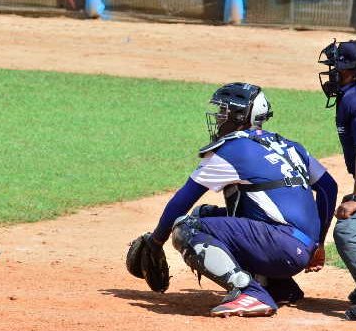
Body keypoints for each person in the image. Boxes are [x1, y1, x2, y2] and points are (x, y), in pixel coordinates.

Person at [137, 82, 336, 317]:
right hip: (299, 247)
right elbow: (328, 188)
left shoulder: (233, 149)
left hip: (283, 248)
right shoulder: (290, 146)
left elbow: (183, 200)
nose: (219, 117)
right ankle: (278, 286)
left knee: (186, 228)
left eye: (223, 112)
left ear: (240, 116)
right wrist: (318, 244)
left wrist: (156, 241)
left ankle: (249, 292)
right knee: (205, 214)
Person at [318, 40, 356, 320]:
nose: (333, 72)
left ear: (353, 71)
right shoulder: (352, 95)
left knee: (347, 232)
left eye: (338, 67)